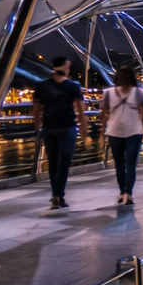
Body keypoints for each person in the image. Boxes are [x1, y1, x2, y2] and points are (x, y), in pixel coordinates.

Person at [32, 56, 87, 209]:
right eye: (68, 65)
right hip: (67, 127)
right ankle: (58, 195)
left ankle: (55, 194)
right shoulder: (73, 85)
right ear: (65, 66)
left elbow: (36, 109)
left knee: (53, 162)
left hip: (48, 128)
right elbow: (81, 109)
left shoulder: (41, 85)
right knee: (64, 162)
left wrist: (37, 128)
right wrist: (83, 128)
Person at [100, 65, 143, 205]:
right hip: (134, 131)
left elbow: (104, 113)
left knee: (120, 164)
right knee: (131, 164)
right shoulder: (140, 92)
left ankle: (123, 192)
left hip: (114, 131)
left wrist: (101, 131)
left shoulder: (108, 92)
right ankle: (129, 192)